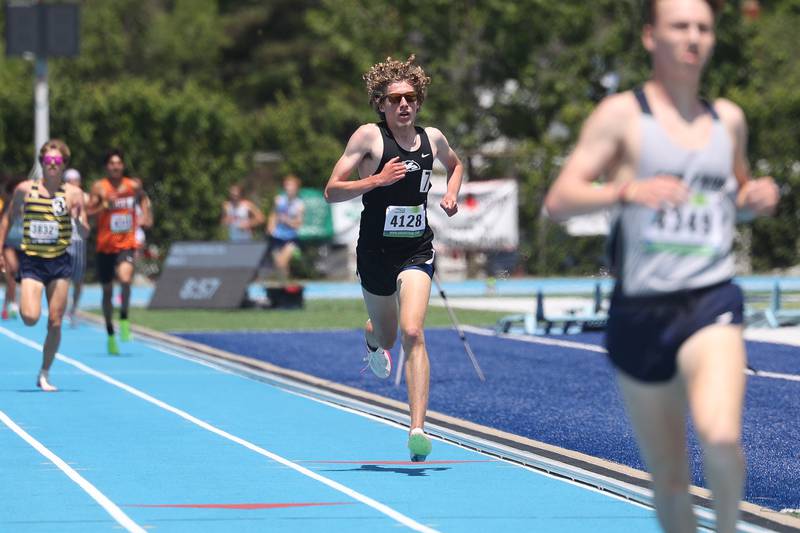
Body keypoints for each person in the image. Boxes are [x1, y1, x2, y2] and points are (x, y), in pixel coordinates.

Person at [543, 1, 779, 531]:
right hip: (640, 313)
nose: (693, 37)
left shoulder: (728, 119)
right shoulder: (622, 116)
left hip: (710, 300)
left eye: (703, 27)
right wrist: (627, 189)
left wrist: (759, 197)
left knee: (721, 438)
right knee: (669, 479)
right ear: (651, 37)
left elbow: (737, 193)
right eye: (680, 26)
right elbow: (559, 200)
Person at [325, 55, 463, 462]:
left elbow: (455, 166)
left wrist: (451, 192)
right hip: (375, 254)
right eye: (394, 99)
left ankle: (417, 429)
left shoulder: (432, 138)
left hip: (416, 248)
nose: (403, 105)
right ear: (381, 104)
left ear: (418, 102)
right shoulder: (368, 138)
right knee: (387, 337)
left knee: (414, 332)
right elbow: (331, 189)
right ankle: (371, 338)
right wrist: (376, 180)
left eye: (410, 98)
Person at [0, 140, 87, 391]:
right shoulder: (25, 190)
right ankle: (43, 369)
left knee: (56, 321)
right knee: (29, 317)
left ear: (64, 164)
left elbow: (84, 230)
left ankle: (44, 373)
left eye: (57, 162)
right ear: (41, 163)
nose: (52, 165)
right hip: (33, 261)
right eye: (47, 161)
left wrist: (78, 221)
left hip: (59, 261)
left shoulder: (73, 194)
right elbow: (7, 219)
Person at [86, 149, 151, 355]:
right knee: (107, 291)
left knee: (125, 278)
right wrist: (104, 206)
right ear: (106, 167)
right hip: (105, 246)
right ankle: (110, 333)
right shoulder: (99, 187)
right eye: (112, 163)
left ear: (123, 166)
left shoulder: (132, 185)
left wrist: (145, 216)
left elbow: (143, 199)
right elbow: (88, 212)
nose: (115, 166)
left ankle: (123, 317)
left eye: (119, 163)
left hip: (126, 243)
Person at [62, 168, 90, 327]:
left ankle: (73, 309)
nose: (73, 183)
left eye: (76, 180)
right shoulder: (58, 197)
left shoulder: (83, 199)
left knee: (78, 281)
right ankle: (61, 309)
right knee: (62, 279)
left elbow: (86, 231)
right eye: (70, 180)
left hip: (78, 243)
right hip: (63, 243)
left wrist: (78, 218)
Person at [266, 175, 304, 281]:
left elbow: (298, 223)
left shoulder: (299, 204)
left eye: (291, 186)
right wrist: (270, 227)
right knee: (279, 265)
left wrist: (287, 221)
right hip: (277, 236)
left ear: (296, 188)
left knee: (282, 262)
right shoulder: (279, 200)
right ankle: (283, 285)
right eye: (287, 185)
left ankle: (284, 285)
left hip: (290, 238)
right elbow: (273, 214)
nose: (288, 188)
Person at [1, 175, 25, 320]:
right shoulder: (6, 204)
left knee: (17, 276)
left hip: (24, 244)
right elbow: (3, 224)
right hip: (9, 243)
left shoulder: (30, 203)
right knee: (12, 270)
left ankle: (7, 302)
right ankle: (12, 303)